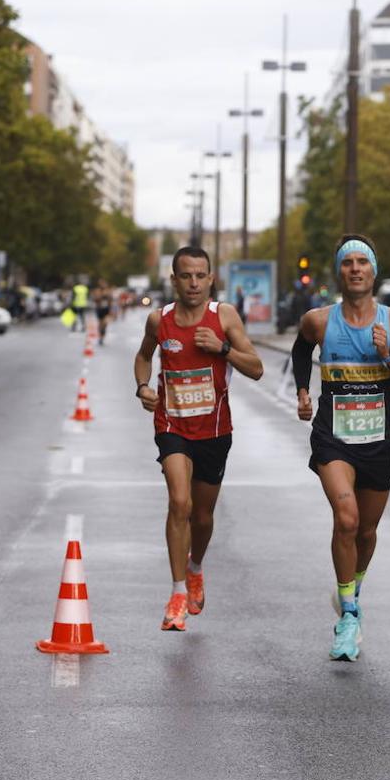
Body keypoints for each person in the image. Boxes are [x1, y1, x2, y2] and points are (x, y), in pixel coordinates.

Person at [290, 235, 390, 661]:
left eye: (361, 263)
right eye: (347, 262)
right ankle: (348, 614)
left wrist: (388, 357)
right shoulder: (318, 320)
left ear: (373, 271)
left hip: (377, 442)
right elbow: (300, 350)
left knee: (366, 531)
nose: (354, 269)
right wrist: (301, 391)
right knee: (346, 519)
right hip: (333, 437)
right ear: (340, 271)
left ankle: (351, 586)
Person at [133, 246, 264, 631]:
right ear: (173, 280)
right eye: (185, 275)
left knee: (203, 516)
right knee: (179, 501)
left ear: (211, 279)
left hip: (214, 429)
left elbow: (256, 368)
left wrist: (222, 348)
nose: (193, 283)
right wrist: (142, 386)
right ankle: (176, 594)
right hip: (172, 425)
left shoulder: (224, 317)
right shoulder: (160, 321)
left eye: (199, 275)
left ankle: (194, 568)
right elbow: (143, 356)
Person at [94, 280, 114, 345]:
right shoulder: (97, 291)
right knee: (100, 323)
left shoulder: (108, 291)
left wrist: (111, 310)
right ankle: (100, 336)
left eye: (104, 284)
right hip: (99, 309)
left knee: (105, 324)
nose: (103, 285)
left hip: (106, 309)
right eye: (102, 284)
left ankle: (102, 337)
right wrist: (101, 296)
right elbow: (95, 299)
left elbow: (111, 300)